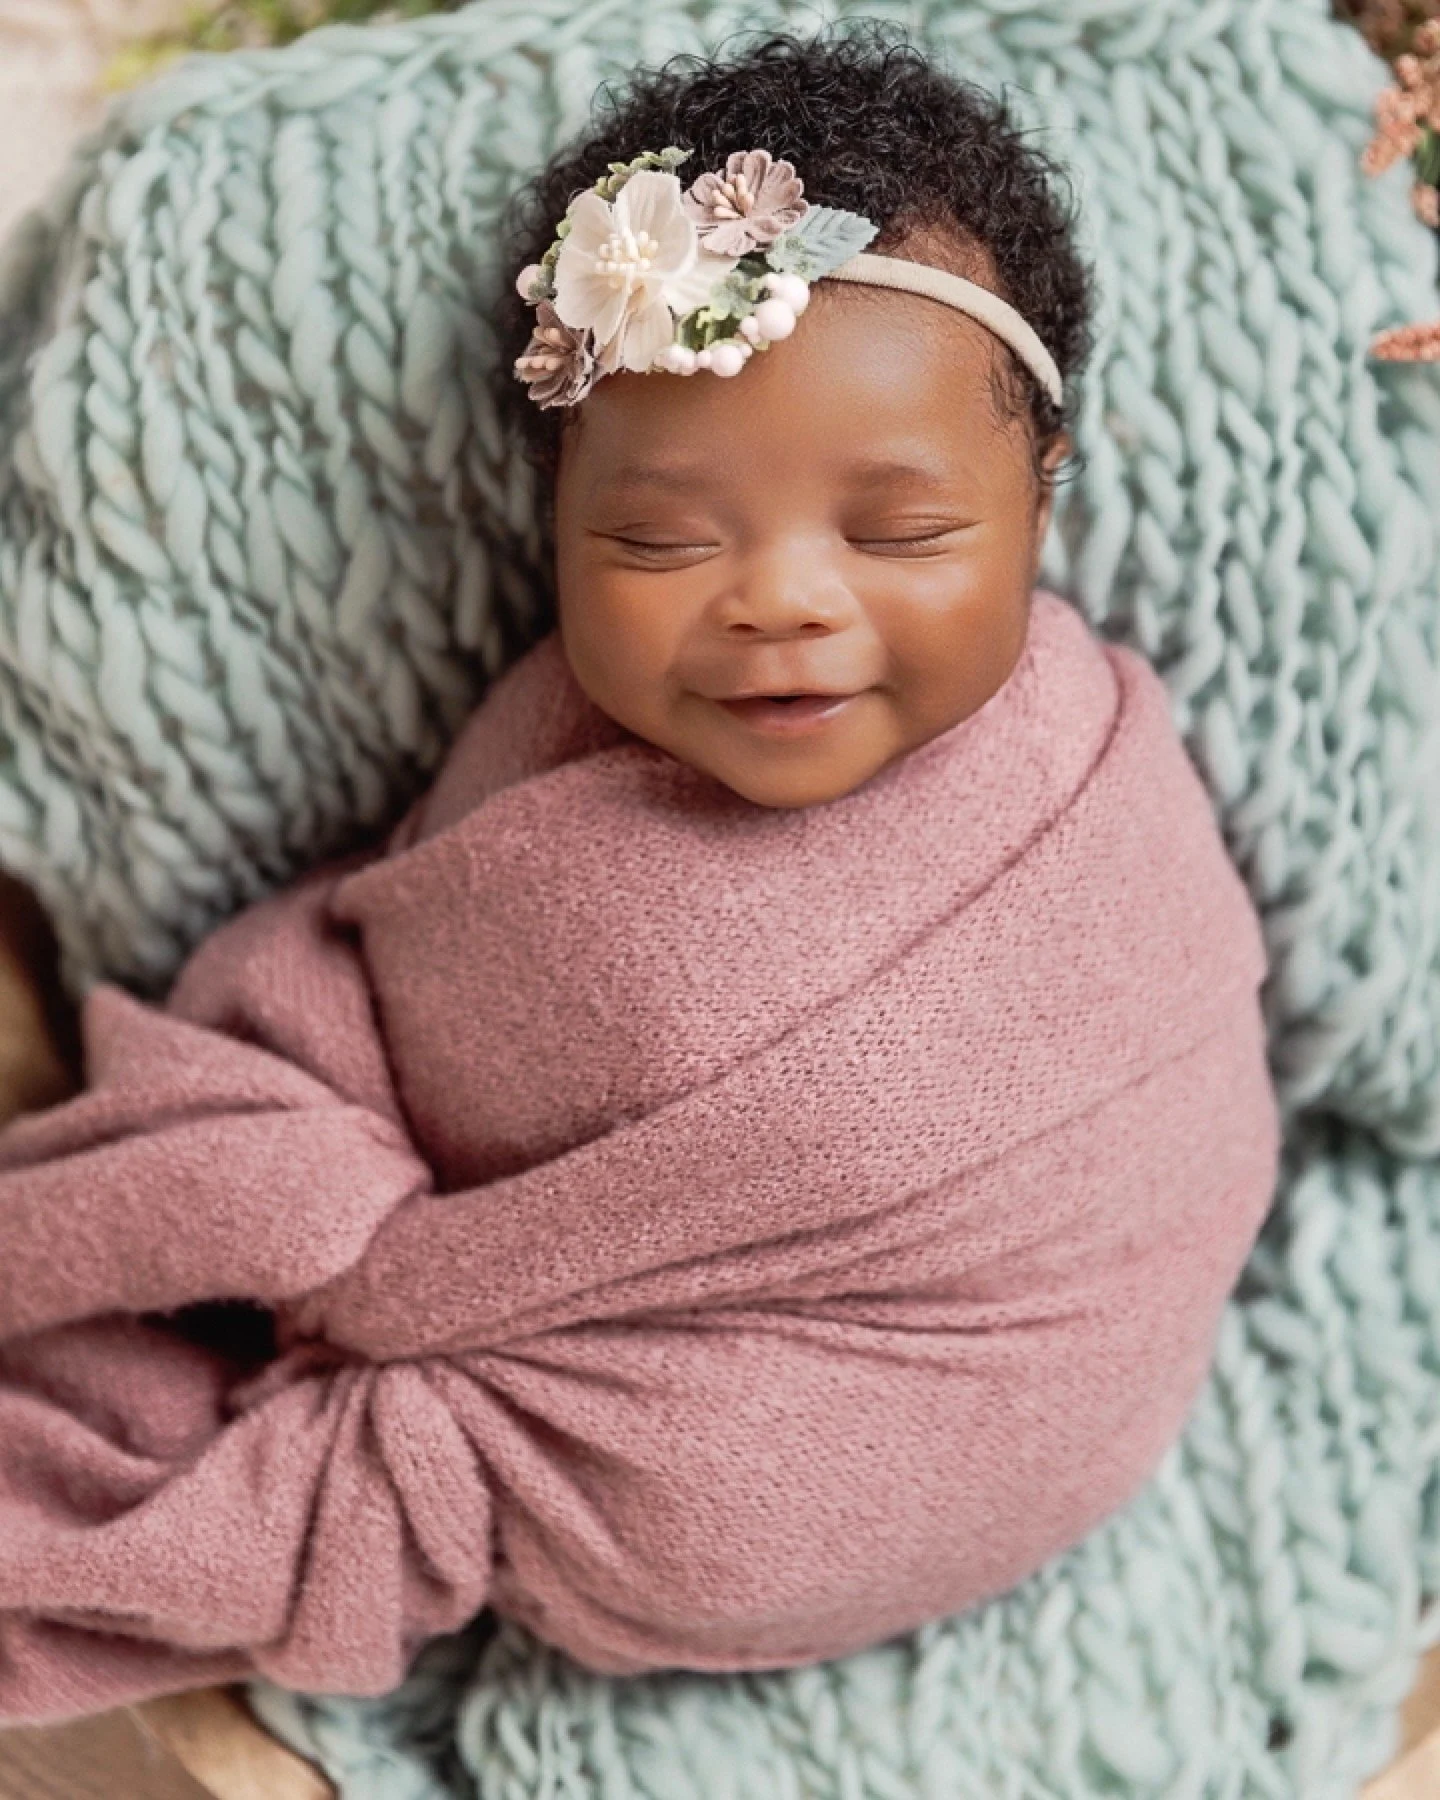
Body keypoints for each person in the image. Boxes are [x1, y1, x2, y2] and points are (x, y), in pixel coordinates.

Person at [0, 29, 1279, 1724]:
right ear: (554, 519)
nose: (783, 602)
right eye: (661, 541)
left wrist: (395, 1282)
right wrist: (301, 1163)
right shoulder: (543, 748)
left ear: (1039, 497)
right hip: (620, 1427)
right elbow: (404, 983)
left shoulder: (1090, 769)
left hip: (946, 1423)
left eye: (900, 534)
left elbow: (1174, 1116)